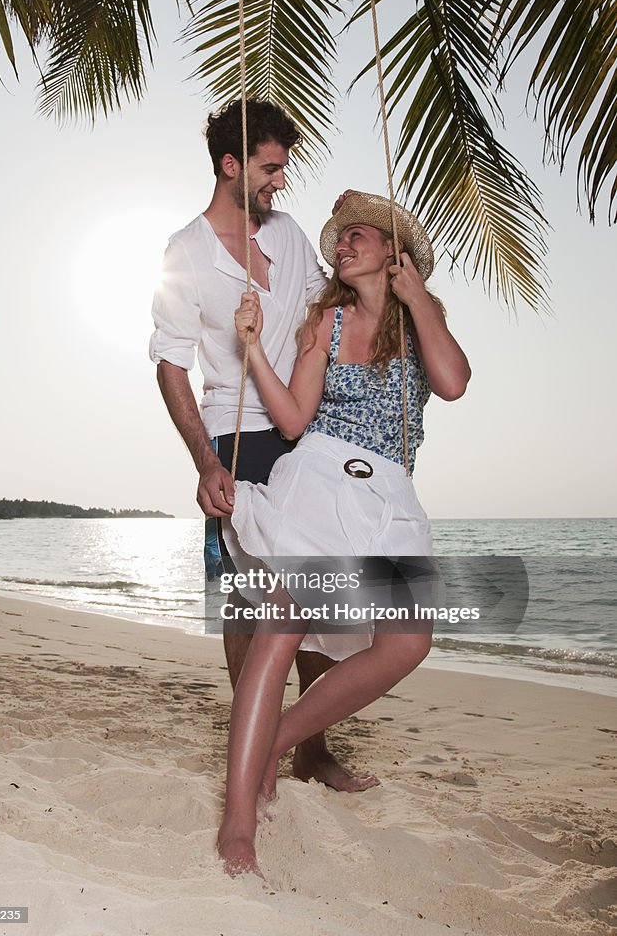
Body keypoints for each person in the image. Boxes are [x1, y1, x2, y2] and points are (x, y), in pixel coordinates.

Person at [217, 190, 471, 876]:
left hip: (387, 494)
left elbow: (452, 383)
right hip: (320, 477)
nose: (343, 243)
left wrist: (418, 300)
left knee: (408, 642)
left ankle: (276, 742)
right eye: (340, 238)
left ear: (394, 252)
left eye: (360, 235)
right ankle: (238, 827)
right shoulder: (324, 321)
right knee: (281, 629)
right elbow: (295, 420)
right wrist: (251, 350)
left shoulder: (422, 321)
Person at [149, 100, 376, 791]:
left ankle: (310, 747)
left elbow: (323, 311)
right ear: (230, 166)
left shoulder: (288, 232)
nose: (280, 182)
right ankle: (254, 752)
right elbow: (170, 362)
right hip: (236, 436)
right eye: (270, 168)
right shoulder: (185, 251)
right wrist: (206, 461)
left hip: (305, 434)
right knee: (247, 601)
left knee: (316, 594)